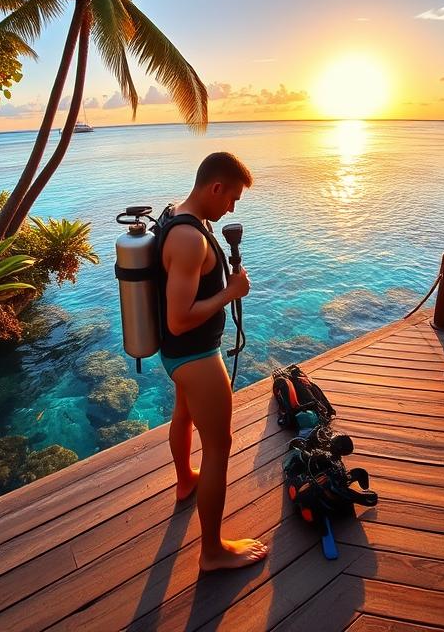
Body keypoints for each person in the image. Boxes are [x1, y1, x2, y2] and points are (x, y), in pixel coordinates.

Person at [158, 151, 268, 571]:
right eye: (232, 198)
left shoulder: (179, 217)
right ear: (215, 187)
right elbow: (179, 319)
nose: (232, 208)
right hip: (195, 356)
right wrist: (230, 293)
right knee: (220, 447)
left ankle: (186, 481)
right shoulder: (190, 239)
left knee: (183, 417)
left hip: (177, 357)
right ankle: (212, 552)